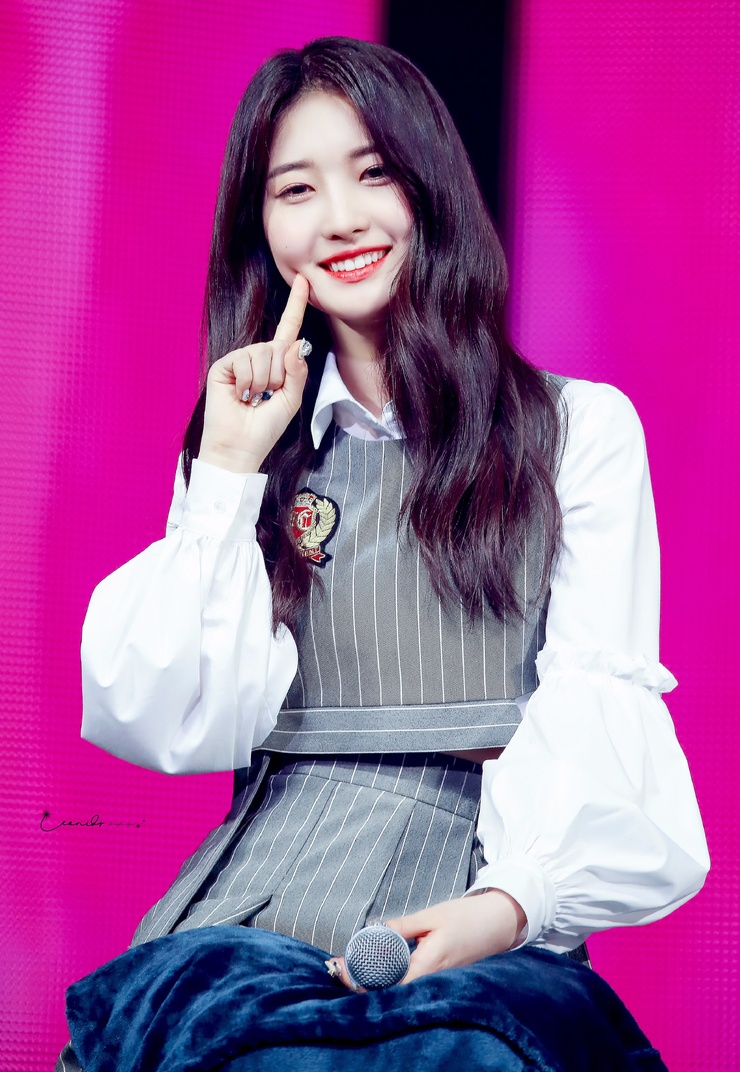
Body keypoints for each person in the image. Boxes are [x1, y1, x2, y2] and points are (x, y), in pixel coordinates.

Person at [58, 35, 708, 1071]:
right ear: (261, 228)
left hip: (483, 900)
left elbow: (598, 697)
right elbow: (172, 719)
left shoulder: (577, 429)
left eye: (373, 174)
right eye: (295, 189)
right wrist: (226, 471)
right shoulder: (240, 452)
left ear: (429, 190)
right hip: (258, 903)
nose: (339, 218)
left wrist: (507, 906)